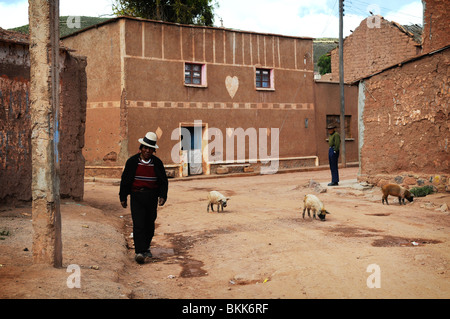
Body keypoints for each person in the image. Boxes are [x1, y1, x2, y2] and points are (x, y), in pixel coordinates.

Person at [119, 132, 168, 264]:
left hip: (151, 197)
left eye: (150, 149)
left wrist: (163, 196)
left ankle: (146, 247)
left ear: (153, 150)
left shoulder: (157, 163)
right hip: (137, 196)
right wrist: (123, 196)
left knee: (149, 224)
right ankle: (139, 252)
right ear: (141, 148)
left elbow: (163, 181)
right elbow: (125, 180)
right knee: (138, 224)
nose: (147, 151)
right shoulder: (132, 162)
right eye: (145, 148)